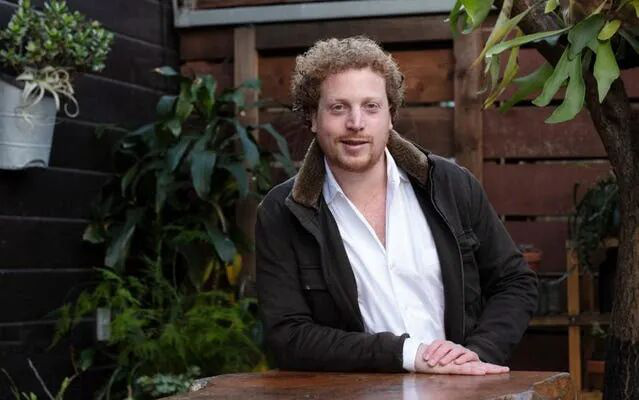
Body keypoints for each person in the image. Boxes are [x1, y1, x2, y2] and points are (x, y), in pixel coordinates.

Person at [255, 36, 537, 374]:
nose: (356, 122)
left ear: (390, 115)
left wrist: (476, 354)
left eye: (371, 107)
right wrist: (406, 354)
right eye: (338, 107)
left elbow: (515, 282)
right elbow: (288, 336)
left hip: (462, 388)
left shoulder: (450, 185)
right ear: (313, 118)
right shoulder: (282, 212)